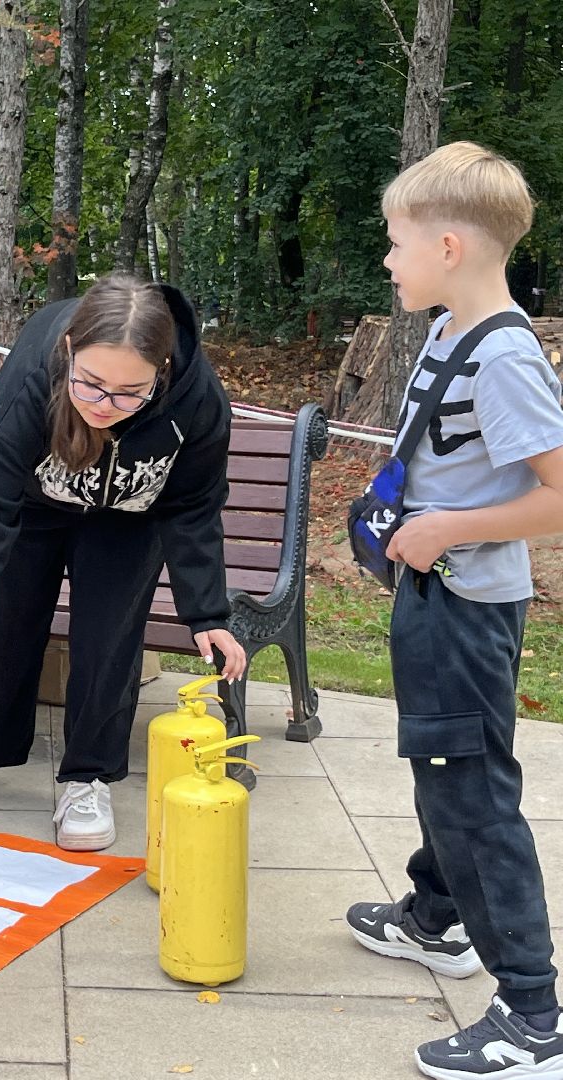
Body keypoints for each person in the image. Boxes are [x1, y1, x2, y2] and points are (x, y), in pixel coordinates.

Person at [341, 142, 563, 1080]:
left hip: (466, 603)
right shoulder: (447, 332)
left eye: (394, 242)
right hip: (434, 592)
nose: (386, 260)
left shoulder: (506, 355)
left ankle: (534, 1012)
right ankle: (437, 920)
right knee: (443, 767)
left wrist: (447, 529)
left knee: (471, 793)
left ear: (446, 246)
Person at [0, 273, 246, 852]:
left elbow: (194, 506)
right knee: (7, 621)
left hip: (129, 516)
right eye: (91, 385)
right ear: (68, 353)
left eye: (131, 392)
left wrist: (206, 612)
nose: (107, 406)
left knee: (109, 636)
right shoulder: (32, 377)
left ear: (162, 370)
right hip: (35, 506)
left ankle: (87, 776)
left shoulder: (198, 401)